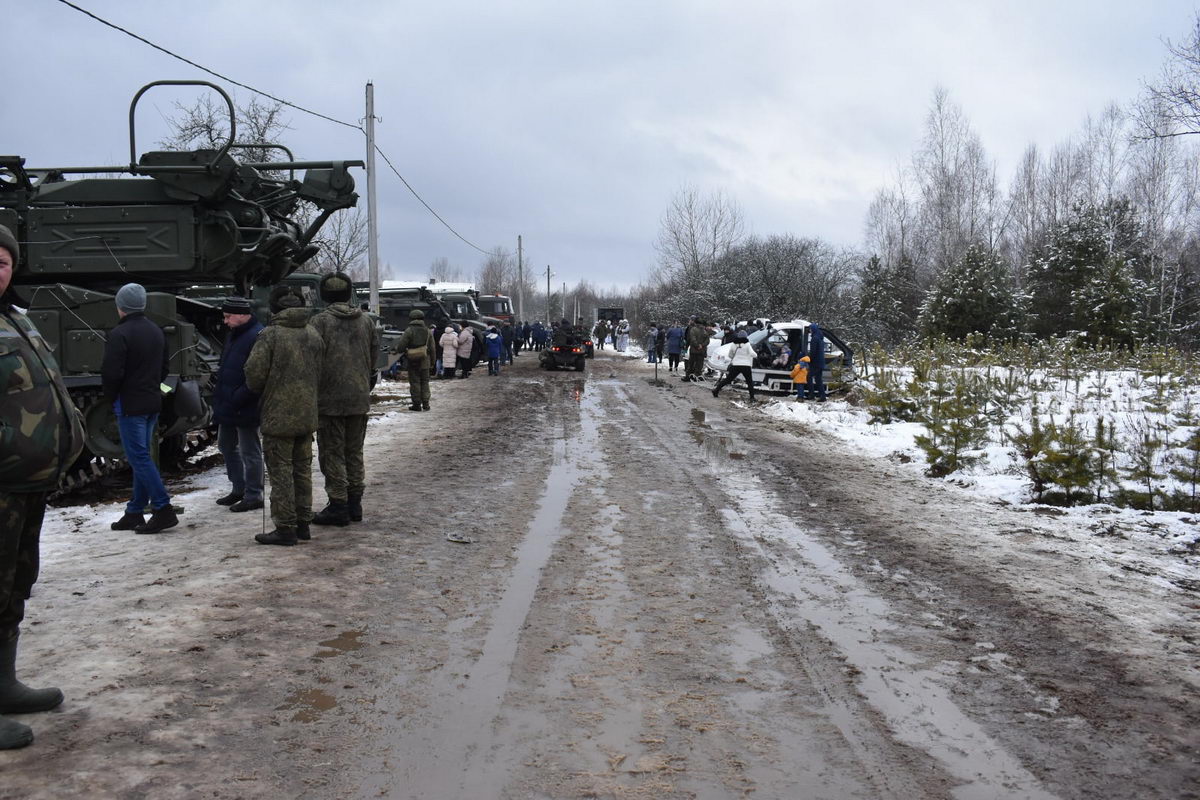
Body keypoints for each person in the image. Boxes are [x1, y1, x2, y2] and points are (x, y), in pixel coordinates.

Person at [0, 224, 86, 750]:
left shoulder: (17, 317)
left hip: (25, 485)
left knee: (13, 585)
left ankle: (4, 683)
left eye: (4, 261)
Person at [244, 286, 324, 546]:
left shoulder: (270, 335)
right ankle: (302, 523)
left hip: (278, 417)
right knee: (302, 471)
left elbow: (254, 375)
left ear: (274, 308)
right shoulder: (313, 334)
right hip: (307, 414)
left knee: (280, 473)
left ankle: (285, 527)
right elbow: (321, 372)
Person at [102, 283, 177, 534]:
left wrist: (111, 397)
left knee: (139, 458)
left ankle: (163, 508)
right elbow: (164, 368)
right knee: (141, 457)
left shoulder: (119, 334)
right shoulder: (156, 331)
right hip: (151, 401)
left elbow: (112, 374)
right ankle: (135, 511)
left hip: (130, 404)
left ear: (120, 306)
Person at [310, 273, 379, 528]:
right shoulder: (366, 321)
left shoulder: (319, 322)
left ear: (324, 294)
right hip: (359, 398)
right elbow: (373, 359)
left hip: (329, 401)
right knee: (354, 452)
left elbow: (313, 359)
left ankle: (338, 505)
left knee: (332, 454)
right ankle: (354, 503)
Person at [211, 296, 264, 513]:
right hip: (231, 402)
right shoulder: (236, 334)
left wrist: (239, 396)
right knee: (225, 445)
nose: (225, 321)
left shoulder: (256, 336)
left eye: (228, 316)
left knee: (249, 450)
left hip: (245, 403)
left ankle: (254, 494)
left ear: (242, 315)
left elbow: (258, 375)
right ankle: (239, 487)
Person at [394, 308, 436, 411]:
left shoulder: (409, 331)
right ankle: (426, 404)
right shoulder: (428, 331)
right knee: (425, 382)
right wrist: (433, 362)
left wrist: (398, 350)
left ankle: (416, 405)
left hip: (413, 361)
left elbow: (401, 347)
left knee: (415, 383)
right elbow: (432, 348)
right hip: (425, 361)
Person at [711, 331, 757, 402]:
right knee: (749, 382)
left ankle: (716, 390)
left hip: (736, 365)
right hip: (746, 366)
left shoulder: (733, 344)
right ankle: (752, 397)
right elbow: (753, 354)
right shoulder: (747, 344)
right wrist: (755, 355)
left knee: (728, 379)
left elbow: (730, 355)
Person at [803, 322, 827, 401]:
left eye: (810, 329)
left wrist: (809, 359)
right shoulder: (819, 337)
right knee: (818, 379)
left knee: (809, 376)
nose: (809, 331)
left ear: (813, 329)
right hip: (820, 361)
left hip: (816, 362)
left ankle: (811, 395)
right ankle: (822, 396)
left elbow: (813, 351)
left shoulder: (814, 338)